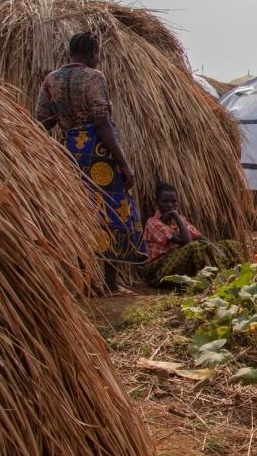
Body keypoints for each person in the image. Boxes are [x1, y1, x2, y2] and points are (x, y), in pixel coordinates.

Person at [36, 31, 145, 293]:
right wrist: (124, 164)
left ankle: (83, 282)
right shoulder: (94, 77)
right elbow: (101, 122)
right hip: (99, 155)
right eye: (97, 53)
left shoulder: (52, 80)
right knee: (110, 214)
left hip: (71, 153)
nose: (98, 59)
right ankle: (109, 283)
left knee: (81, 214)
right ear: (91, 52)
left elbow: (43, 122)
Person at [140, 183, 242, 285]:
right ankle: (207, 280)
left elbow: (199, 236)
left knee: (227, 244)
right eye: (165, 201)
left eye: (173, 202)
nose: (170, 205)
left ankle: (227, 276)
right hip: (157, 270)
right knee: (194, 247)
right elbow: (187, 241)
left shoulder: (180, 220)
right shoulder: (153, 223)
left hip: (176, 265)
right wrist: (175, 214)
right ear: (157, 203)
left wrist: (215, 249)